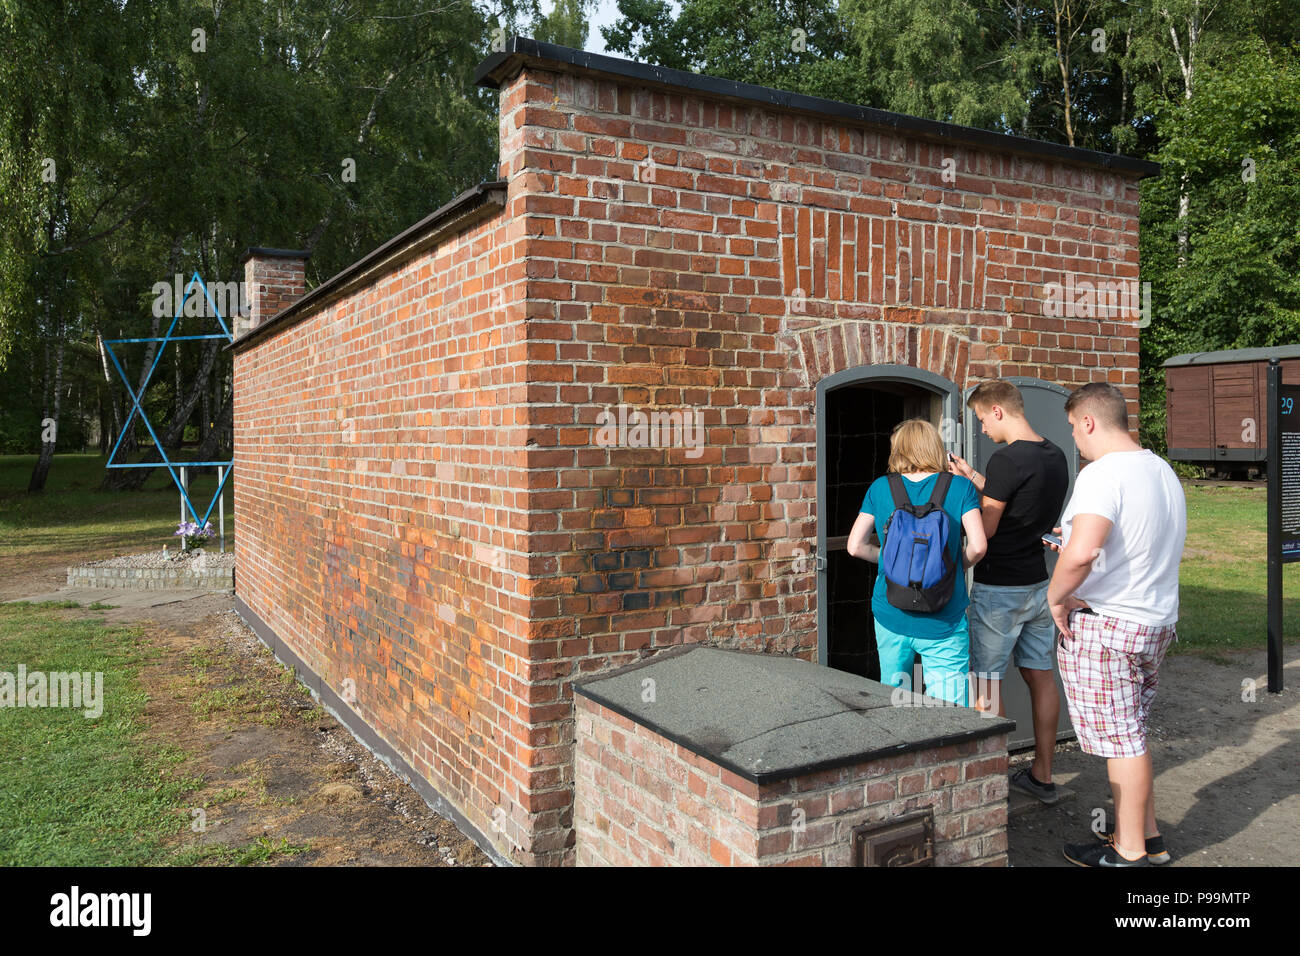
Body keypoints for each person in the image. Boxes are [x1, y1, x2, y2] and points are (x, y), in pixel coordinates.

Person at [1046, 382, 1186, 867]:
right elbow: (1129, 547)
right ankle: (1147, 838)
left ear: (1088, 421)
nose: (1075, 440)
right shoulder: (1161, 470)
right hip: (1154, 620)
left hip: (1109, 626)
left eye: (1072, 428)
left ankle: (1128, 853)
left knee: (1122, 741)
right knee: (1133, 733)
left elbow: (1083, 551)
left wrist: (1057, 594)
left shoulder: (1102, 473)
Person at [947, 381, 1069, 805]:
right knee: (1040, 676)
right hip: (1038, 585)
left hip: (999, 590)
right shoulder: (1054, 455)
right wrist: (973, 476)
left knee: (986, 682)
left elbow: (992, 525)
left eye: (982, 419)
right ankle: (1043, 774)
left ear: (998, 411)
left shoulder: (1006, 459)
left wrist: (958, 505)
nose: (981, 429)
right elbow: (1018, 500)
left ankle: (989, 783)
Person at [847, 418, 986, 705]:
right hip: (944, 617)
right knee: (950, 712)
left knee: (895, 700)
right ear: (934, 447)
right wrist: (956, 565)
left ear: (898, 450)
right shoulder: (960, 487)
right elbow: (979, 545)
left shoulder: (880, 488)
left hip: (891, 613)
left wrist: (887, 558)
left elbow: (855, 547)